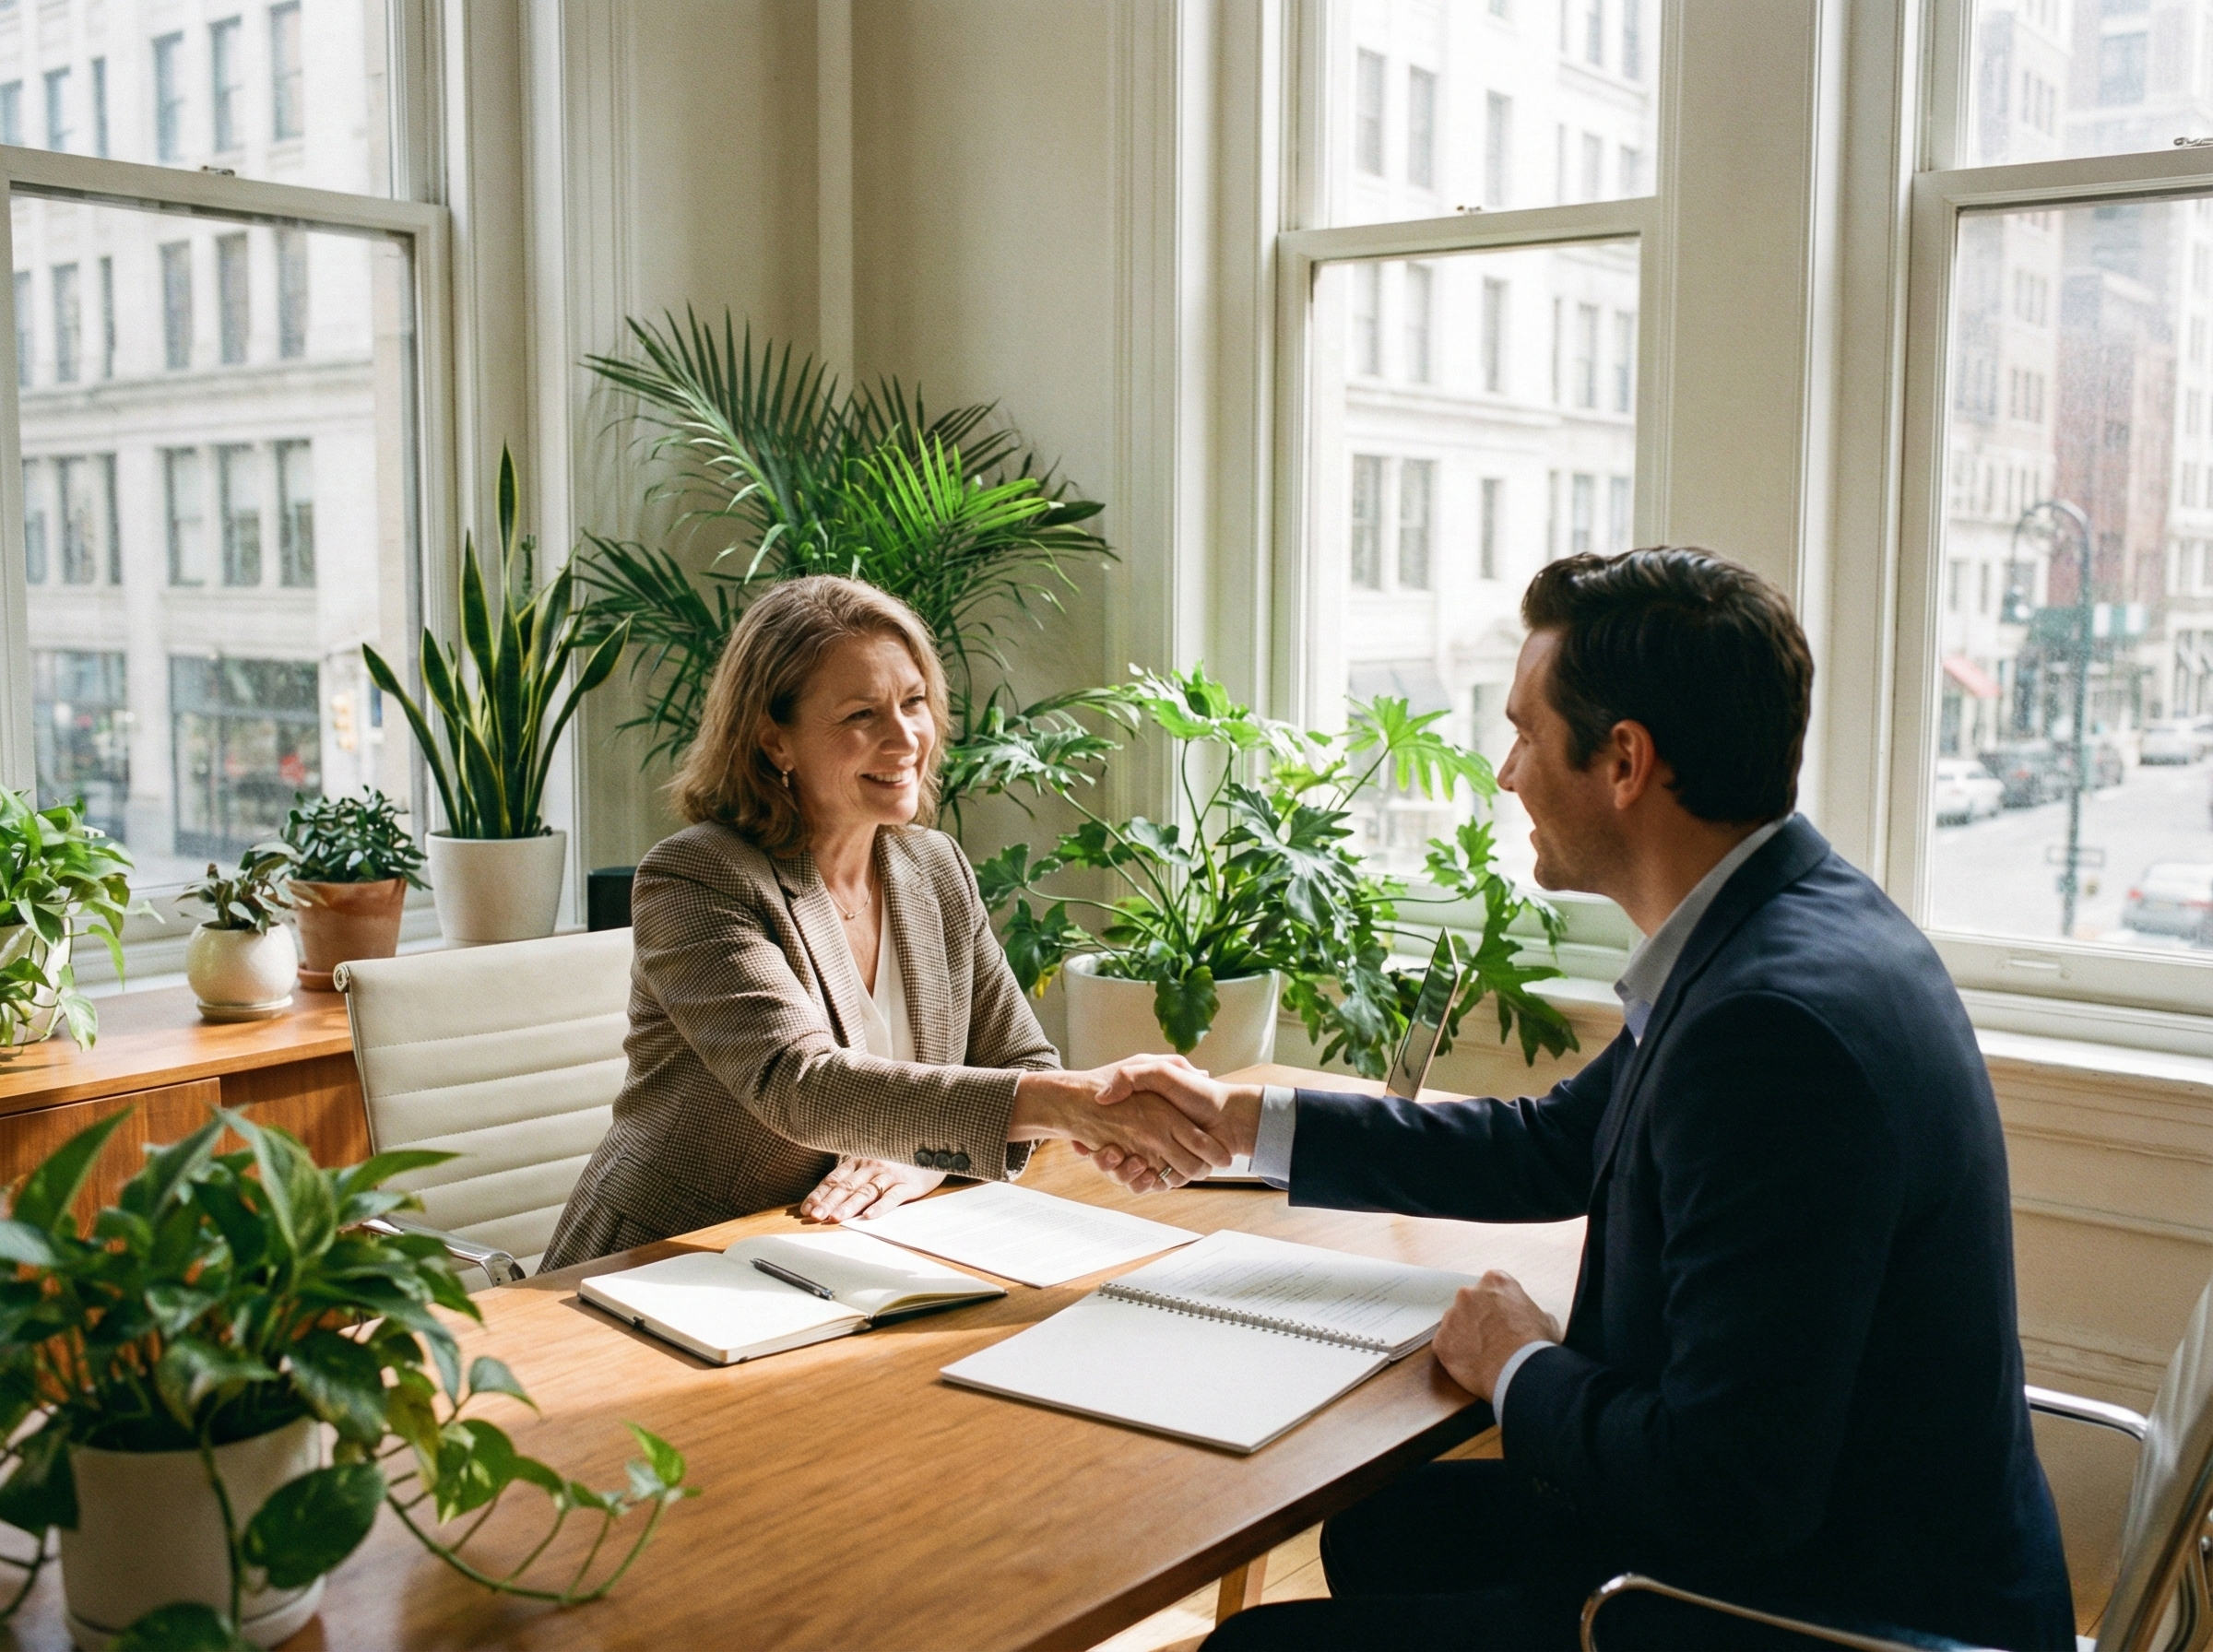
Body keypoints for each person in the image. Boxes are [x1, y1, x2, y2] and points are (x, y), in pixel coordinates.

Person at [1096, 549, 2074, 1651]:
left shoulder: (1770, 1032)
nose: (1505, 773)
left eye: (1521, 732)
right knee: (1388, 1525)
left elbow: (1726, 1489)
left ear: (1624, 760)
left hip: (1835, 1614)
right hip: (1840, 1540)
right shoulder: (1788, 923)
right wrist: (1239, 1121)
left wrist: (1520, 1361)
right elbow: (1554, 1142)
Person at [540, 576, 1226, 1270]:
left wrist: (922, 1163)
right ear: (776, 743)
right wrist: (1077, 1102)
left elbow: (1021, 1063)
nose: (905, 739)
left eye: (914, 702)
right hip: (668, 1259)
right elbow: (802, 1086)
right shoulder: (696, 878)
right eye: (861, 715)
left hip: (853, 1252)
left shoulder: (934, 867)